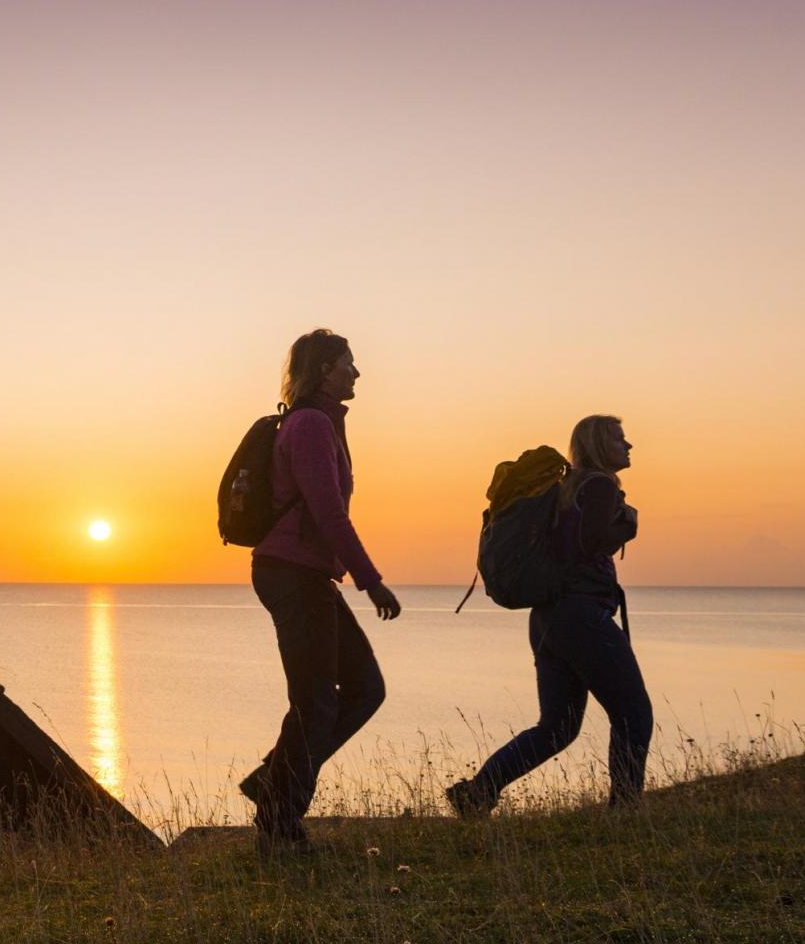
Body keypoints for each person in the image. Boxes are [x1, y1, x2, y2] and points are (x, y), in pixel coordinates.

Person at [239, 329, 401, 852]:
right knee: (314, 701)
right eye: (348, 363)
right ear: (325, 369)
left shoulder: (323, 423)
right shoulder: (310, 425)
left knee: (364, 688)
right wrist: (370, 581)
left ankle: (273, 781)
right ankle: (279, 820)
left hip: (306, 572)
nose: (357, 373)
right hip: (291, 571)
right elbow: (329, 513)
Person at [447, 414, 652, 815]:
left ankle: (477, 793)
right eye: (620, 439)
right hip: (581, 616)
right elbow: (590, 544)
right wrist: (628, 526)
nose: (629, 446)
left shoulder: (564, 488)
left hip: (548, 619)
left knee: (557, 727)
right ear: (598, 444)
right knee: (633, 712)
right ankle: (625, 811)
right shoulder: (599, 485)